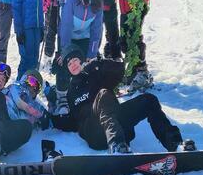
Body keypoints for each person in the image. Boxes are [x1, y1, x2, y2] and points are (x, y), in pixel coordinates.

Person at [60, 44, 196, 154]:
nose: (73, 64)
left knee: (149, 100)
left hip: (117, 124)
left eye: (75, 60)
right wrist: (50, 119)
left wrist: (99, 64)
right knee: (103, 94)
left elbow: (119, 71)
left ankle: (175, 143)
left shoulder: (96, 73)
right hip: (95, 133)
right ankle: (116, 145)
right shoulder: (71, 92)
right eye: (69, 63)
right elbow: (73, 120)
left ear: (81, 60)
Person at [56, 0, 103, 114]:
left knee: (86, 66)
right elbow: (66, 26)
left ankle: (83, 93)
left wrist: (92, 53)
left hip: (85, 37)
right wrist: (65, 51)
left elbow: (97, 28)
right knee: (65, 62)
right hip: (68, 37)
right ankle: (61, 96)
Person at [0, 69, 48, 163]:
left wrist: (48, 110)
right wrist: (34, 111)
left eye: (36, 85)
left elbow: (48, 120)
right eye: (31, 80)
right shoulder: (16, 87)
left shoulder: (35, 104)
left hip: (8, 127)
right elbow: (19, 101)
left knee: (27, 127)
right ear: (24, 79)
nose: (32, 86)